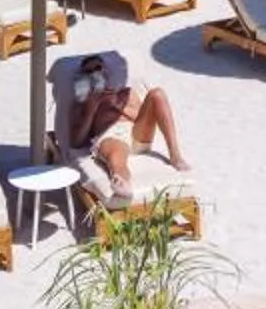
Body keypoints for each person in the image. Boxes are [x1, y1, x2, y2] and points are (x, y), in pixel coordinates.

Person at [68, 55, 187, 202]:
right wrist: (91, 109)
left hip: (135, 133)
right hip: (110, 136)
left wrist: (117, 104)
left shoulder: (126, 93)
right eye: (89, 71)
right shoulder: (83, 101)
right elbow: (76, 142)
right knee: (116, 155)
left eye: (97, 68)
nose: (94, 73)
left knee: (157, 94)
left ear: (105, 71)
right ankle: (121, 182)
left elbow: (142, 117)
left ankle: (175, 156)